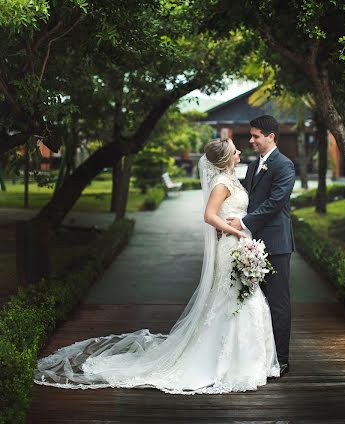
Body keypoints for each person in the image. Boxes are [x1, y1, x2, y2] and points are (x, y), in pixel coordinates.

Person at [34, 138, 279, 394]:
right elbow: (209, 216)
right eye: (235, 150)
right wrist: (234, 231)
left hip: (240, 244)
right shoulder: (220, 184)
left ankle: (249, 362)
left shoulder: (231, 179)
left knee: (245, 297)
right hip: (232, 245)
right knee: (233, 299)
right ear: (227, 157)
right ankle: (230, 364)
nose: (240, 151)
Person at [227, 115, 296, 377]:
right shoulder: (254, 166)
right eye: (251, 135)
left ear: (271, 137)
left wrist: (243, 222)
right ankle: (263, 357)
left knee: (278, 302)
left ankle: (282, 359)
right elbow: (250, 199)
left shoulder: (284, 165)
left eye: (256, 136)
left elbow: (275, 202)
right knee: (256, 302)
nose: (251, 140)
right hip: (253, 243)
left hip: (276, 245)